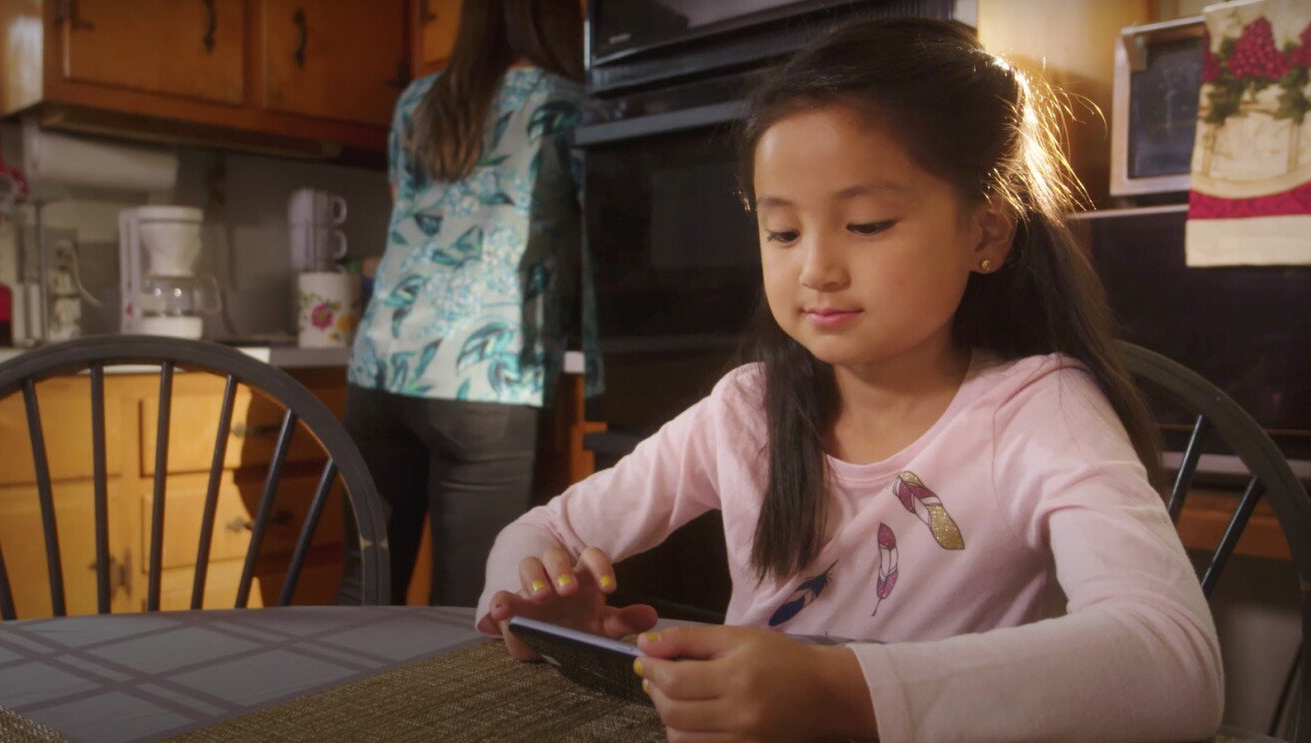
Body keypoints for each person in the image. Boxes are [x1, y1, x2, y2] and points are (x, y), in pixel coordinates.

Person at [473, 16, 1225, 742]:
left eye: (866, 224)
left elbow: (1173, 662)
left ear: (986, 232)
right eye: (783, 231)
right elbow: (541, 531)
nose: (817, 269)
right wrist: (539, 610)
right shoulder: (748, 410)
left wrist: (838, 690)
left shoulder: (1037, 410)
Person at [342, 0, 586, 607]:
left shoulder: (418, 100)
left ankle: (321, 704)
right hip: (484, 376)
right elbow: (598, 236)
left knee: (363, 585)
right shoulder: (568, 105)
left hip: (380, 367)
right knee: (464, 605)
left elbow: (408, 211)